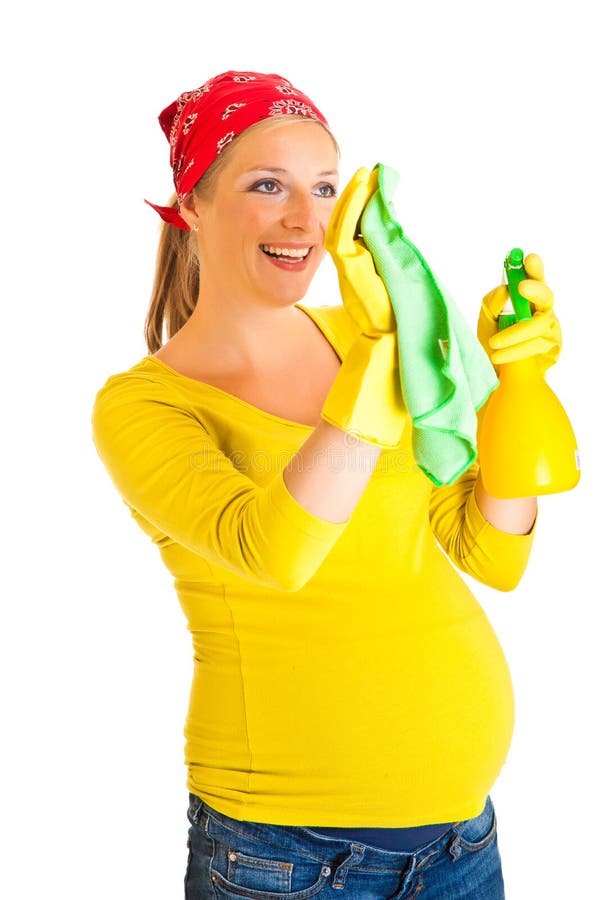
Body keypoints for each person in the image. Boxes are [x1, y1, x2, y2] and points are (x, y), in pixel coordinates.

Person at [91, 70, 560, 899]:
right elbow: (272, 550)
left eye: (324, 187)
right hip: (288, 856)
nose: (304, 220)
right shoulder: (144, 404)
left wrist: (516, 389)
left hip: (464, 839)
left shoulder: (366, 335)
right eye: (267, 185)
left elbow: (492, 553)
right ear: (190, 204)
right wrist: (379, 378)